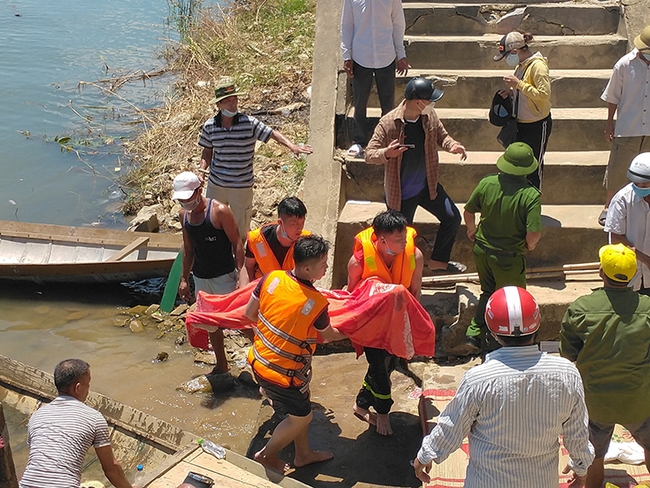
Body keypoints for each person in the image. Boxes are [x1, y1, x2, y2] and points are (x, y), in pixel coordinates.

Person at [414, 287, 594, 487]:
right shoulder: (567, 374)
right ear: (536, 324)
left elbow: (452, 428)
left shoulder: (478, 379)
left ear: (492, 332)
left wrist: (425, 455)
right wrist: (581, 468)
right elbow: (577, 434)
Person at [244, 235, 346, 474]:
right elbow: (329, 334)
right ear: (308, 268)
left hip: (259, 360)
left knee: (301, 406)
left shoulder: (272, 278)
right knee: (302, 418)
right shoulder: (316, 302)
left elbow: (250, 314)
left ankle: (303, 455)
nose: (327, 267)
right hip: (282, 374)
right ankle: (267, 455)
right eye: (323, 264)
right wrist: (353, 333)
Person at [560, 243, 650, 488]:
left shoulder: (581, 308)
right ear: (633, 275)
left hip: (595, 403)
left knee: (594, 455)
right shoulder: (647, 309)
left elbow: (568, 355)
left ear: (601, 272)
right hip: (639, 401)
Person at [365, 77, 468, 274]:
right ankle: (396, 273)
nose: (433, 104)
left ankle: (439, 262)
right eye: (430, 100)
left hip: (427, 185)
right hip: (401, 194)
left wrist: (452, 146)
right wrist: (387, 153)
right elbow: (369, 154)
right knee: (400, 237)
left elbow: (442, 136)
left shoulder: (429, 116)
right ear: (418, 101)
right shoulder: (388, 123)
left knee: (452, 217)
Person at [198, 78, 313, 237]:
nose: (233, 104)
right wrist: (201, 171)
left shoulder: (249, 123)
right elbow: (207, 150)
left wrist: (292, 146)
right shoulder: (210, 126)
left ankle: (238, 258)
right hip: (217, 183)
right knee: (212, 223)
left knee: (240, 227)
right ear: (218, 105)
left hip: (241, 185)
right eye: (227, 101)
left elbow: (272, 133)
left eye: (235, 100)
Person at [347, 209, 424, 435]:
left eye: (404, 237)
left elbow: (416, 292)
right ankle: (382, 412)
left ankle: (361, 405)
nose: (404, 242)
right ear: (381, 239)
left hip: (399, 322)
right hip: (372, 325)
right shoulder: (357, 262)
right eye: (398, 240)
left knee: (388, 365)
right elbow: (352, 296)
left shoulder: (414, 256)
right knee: (379, 365)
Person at [463, 142, 542, 351]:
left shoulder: (487, 183)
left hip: (481, 250)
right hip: (508, 257)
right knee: (513, 300)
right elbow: (533, 233)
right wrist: (530, 245)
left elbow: (469, 211)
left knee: (488, 291)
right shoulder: (530, 195)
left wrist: (471, 229)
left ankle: (475, 332)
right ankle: (511, 344)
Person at [173, 171, 250, 374]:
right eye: (181, 199)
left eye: (187, 198)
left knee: (241, 319)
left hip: (224, 275)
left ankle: (264, 355)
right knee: (211, 323)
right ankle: (222, 364)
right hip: (201, 276)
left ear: (199, 191)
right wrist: (184, 279)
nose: (185, 203)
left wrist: (240, 275)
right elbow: (188, 250)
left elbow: (237, 244)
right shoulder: (184, 216)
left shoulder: (219, 211)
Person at [19, 359, 133, 488]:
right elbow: (111, 469)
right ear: (78, 388)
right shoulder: (94, 417)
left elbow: (41, 457)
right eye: (88, 384)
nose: (88, 389)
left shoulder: (37, 415)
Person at [340, 0, 410, 157]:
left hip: (386, 54)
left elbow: (398, 24)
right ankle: (359, 142)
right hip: (360, 55)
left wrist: (401, 54)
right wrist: (347, 55)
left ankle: (388, 139)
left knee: (387, 103)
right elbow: (347, 25)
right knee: (360, 102)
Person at [599, 25, 650, 226]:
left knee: (647, 171)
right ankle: (608, 207)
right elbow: (613, 97)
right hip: (628, 127)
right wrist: (609, 124)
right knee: (618, 169)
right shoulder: (624, 65)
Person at [494, 31, 551, 190]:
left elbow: (544, 95)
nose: (507, 59)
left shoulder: (538, 66)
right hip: (520, 123)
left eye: (507, 55)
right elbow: (527, 91)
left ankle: (533, 204)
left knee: (534, 166)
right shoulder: (521, 65)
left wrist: (518, 84)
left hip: (536, 125)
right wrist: (512, 92)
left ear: (515, 51)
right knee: (517, 166)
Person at [604, 152, 650, 294]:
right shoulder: (622, 199)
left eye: (645, 184)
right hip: (631, 276)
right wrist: (646, 260)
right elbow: (616, 237)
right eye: (637, 184)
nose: (640, 187)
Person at [243, 196, 310, 282]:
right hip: (264, 287)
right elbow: (248, 266)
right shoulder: (258, 240)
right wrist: (244, 291)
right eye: (294, 224)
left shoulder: (307, 241)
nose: (299, 228)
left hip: (293, 289)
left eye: (302, 222)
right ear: (280, 222)